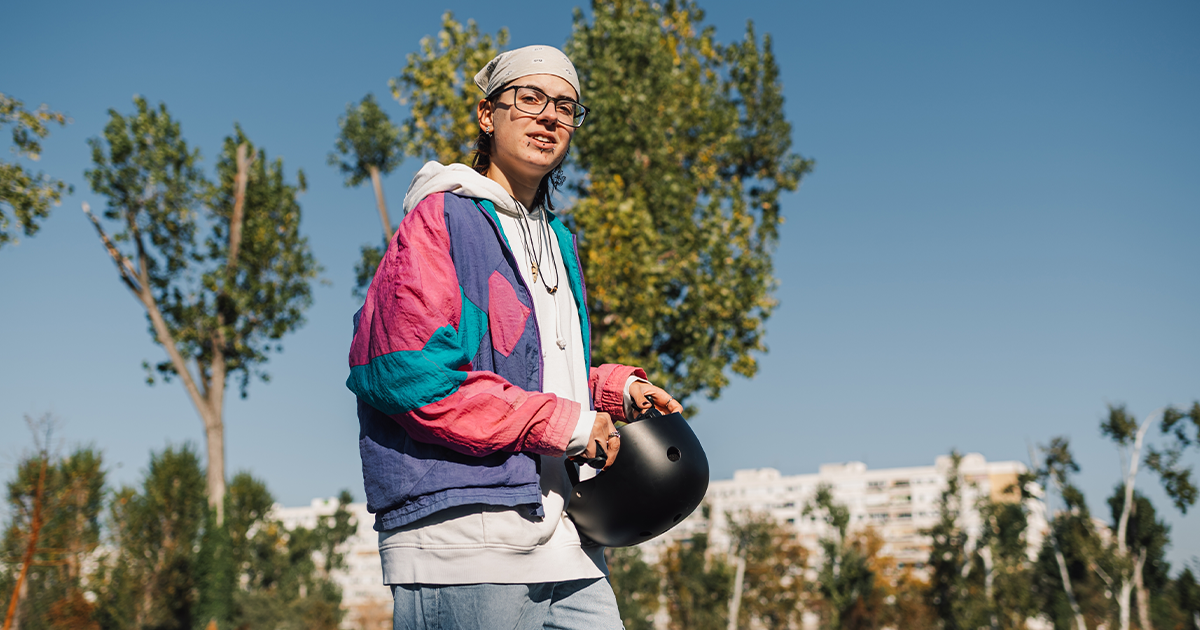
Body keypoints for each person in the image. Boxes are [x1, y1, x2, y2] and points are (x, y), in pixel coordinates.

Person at [347, 45, 683, 630]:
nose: (548, 116)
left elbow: (527, 370)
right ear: (487, 115)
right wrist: (569, 425)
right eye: (529, 98)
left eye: (565, 106)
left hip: (564, 535)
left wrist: (610, 392)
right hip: (462, 540)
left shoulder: (557, 239)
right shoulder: (441, 218)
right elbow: (410, 375)